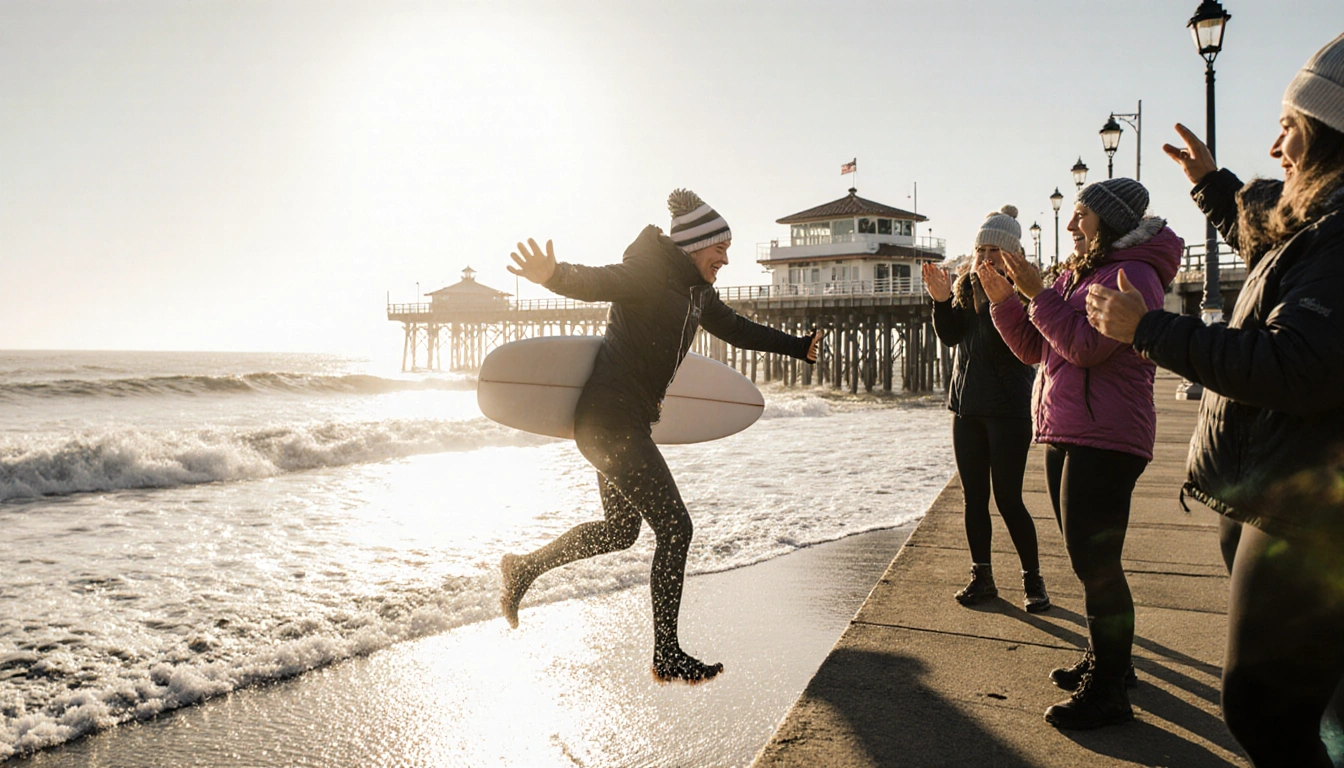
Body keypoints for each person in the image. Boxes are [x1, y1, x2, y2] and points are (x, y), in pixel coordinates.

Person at [1086, 32, 1344, 766]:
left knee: (1262, 708)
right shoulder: (1322, 220)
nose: (1277, 147)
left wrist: (1150, 331)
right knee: (1312, 703)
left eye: (1291, 130)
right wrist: (1212, 183)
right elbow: (1271, 238)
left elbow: (1299, 365)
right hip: (1284, 490)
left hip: (1311, 510)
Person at [499, 189, 822, 685]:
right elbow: (599, 281)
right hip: (609, 423)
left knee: (620, 533)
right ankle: (666, 653)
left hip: (621, 425)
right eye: (720, 249)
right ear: (695, 245)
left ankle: (522, 569)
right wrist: (554, 275)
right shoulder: (648, 271)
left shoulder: (697, 293)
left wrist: (796, 347)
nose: (726, 259)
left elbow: (737, 330)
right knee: (676, 528)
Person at [977, 177, 1183, 729]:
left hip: (1107, 435)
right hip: (1070, 428)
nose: (1070, 225)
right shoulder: (1080, 273)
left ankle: (1111, 691)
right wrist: (1005, 301)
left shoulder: (1132, 274)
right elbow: (1039, 350)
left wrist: (1039, 294)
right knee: (1086, 561)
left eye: (1081, 215)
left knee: (1097, 564)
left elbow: (1087, 349)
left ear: (1109, 222)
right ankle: (1108, 659)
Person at [923, 205, 1049, 613]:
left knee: (1009, 498)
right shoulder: (965, 286)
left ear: (1012, 254)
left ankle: (1033, 580)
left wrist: (1002, 298)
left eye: (994, 250)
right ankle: (983, 577)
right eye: (981, 250)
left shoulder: (1024, 292)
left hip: (1009, 409)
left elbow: (1026, 348)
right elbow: (951, 336)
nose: (985, 258)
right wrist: (941, 301)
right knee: (973, 498)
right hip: (966, 408)